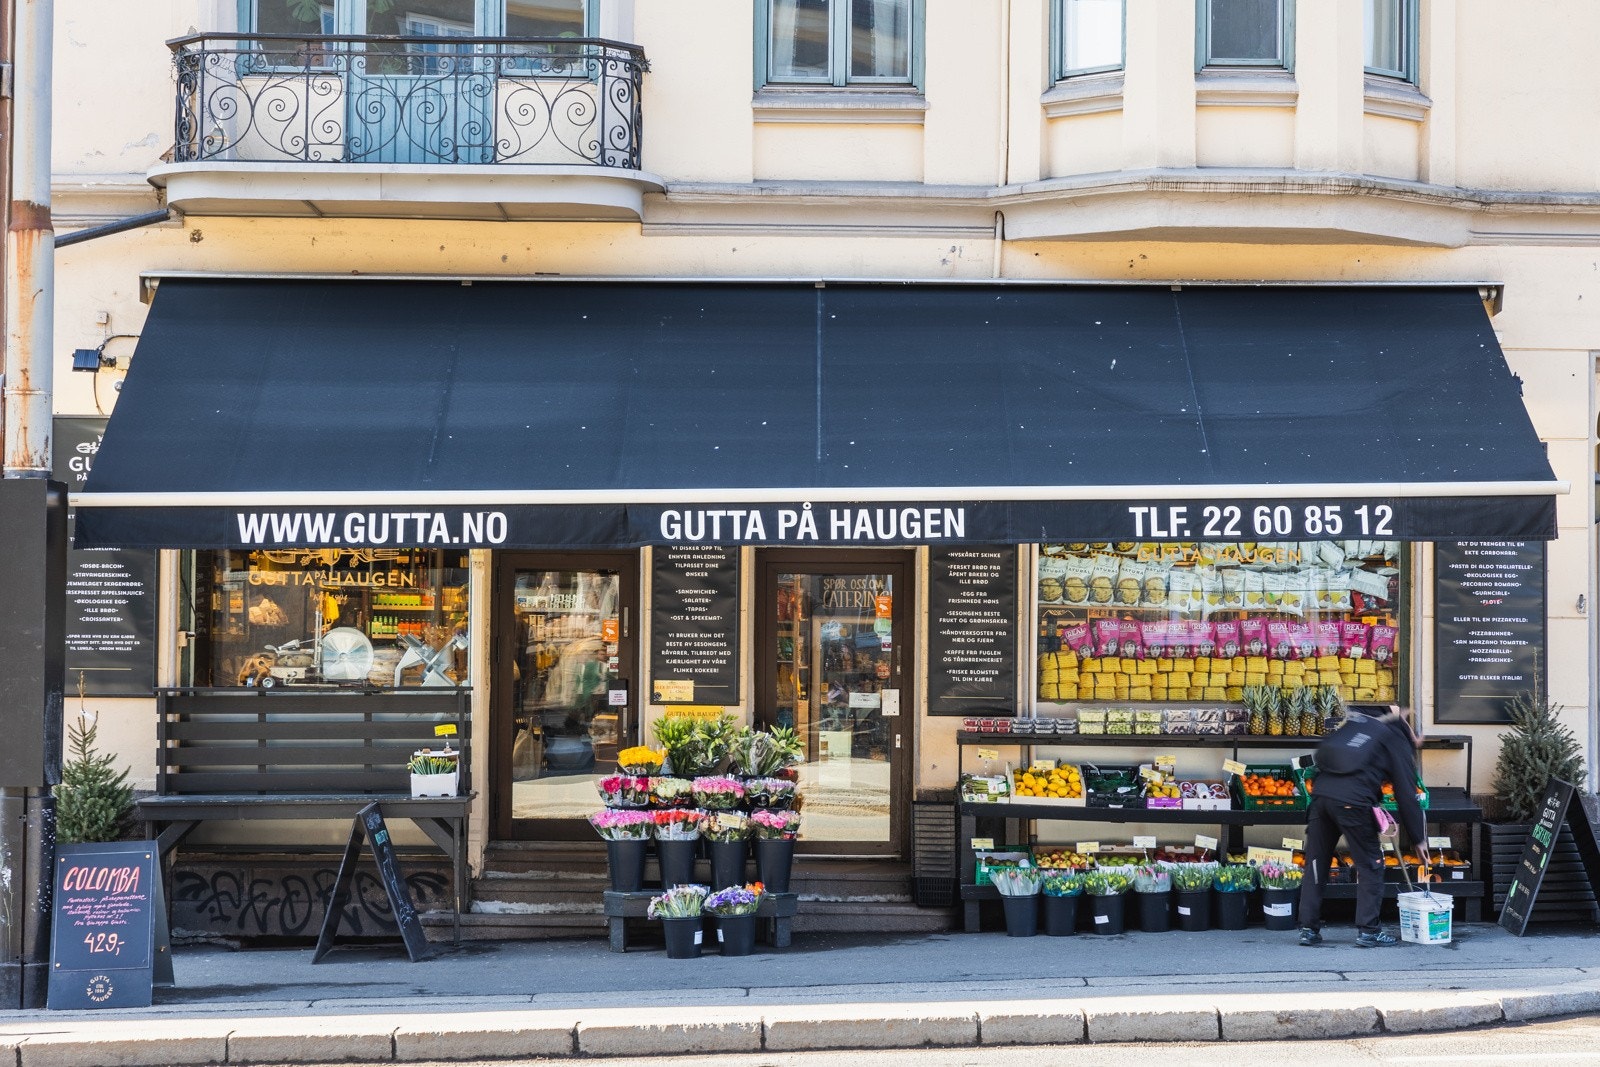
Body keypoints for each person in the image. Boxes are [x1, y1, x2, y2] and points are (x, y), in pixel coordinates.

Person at [1297, 704, 1429, 947]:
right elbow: (1406, 792)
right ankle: (1369, 930)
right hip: (1353, 804)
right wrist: (1418, 838)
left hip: (1321, 799)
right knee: (1370, 864)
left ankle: (1308, 928)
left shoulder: (1355, 728)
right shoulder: (1394, 739)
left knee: (1316, 863)